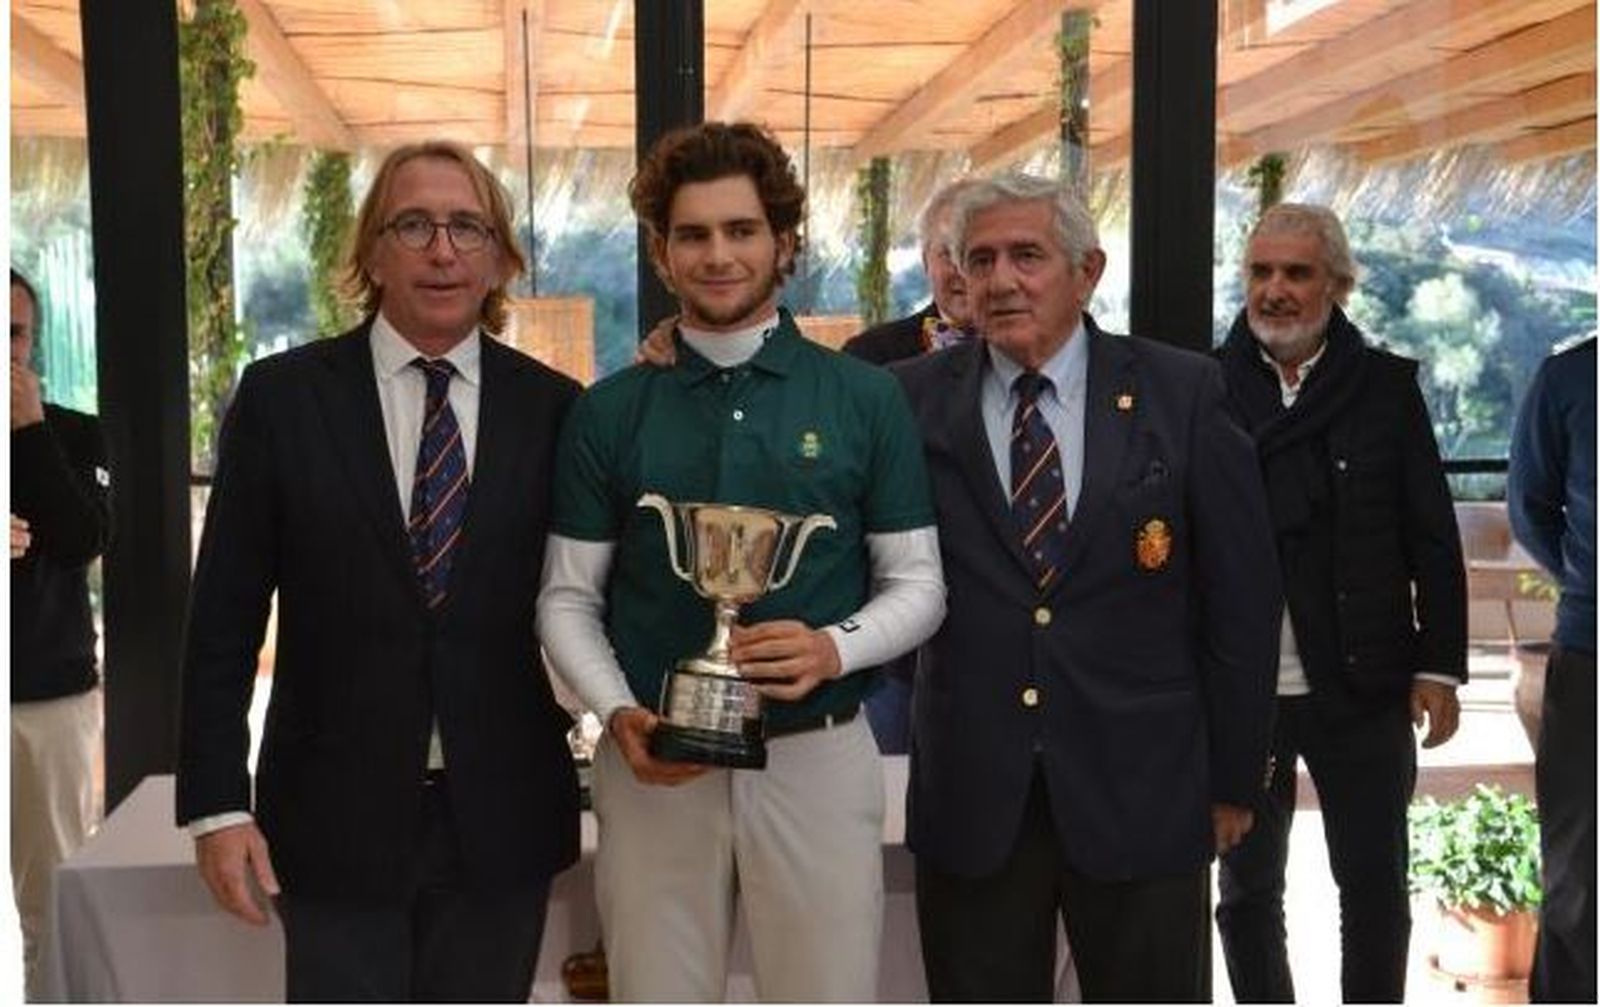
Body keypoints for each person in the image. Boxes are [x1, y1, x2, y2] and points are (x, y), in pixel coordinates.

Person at [537, 121, 945, 1002]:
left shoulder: (863, 397)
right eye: (693, 234)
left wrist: (836, 646)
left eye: (741, 230)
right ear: (660, 251)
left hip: (819, 754)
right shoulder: (610, 411)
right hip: (653, 760)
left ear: (785, 241)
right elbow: (566, 600)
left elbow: (919, 585)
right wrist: (616, 714)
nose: (718, 254)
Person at [175, 140, 582, 1002]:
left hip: (502, 817)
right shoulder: (283, 400)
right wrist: (217, 804)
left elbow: (588, 594)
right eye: (414, 224)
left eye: (467, 227)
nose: (442, 249)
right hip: (329, 823)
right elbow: (221, 620)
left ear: (501, 257)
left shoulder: (557, 410)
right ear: (370, 251)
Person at [893, 172, 1280, 1001]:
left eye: (1026, 255)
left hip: (1145, 790)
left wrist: (1234, 777)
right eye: (980, 259)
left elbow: (1242, 601)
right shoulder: (907, 402)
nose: (999, 280)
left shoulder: (1183, 393)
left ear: (1088, 270)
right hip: (974, 798)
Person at [1214, 202, 1467, 1003]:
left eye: (1297, 272)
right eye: (1262, 272)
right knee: (1248, 891)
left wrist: (1440, 666)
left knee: (1374, 887)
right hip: (1243, 686)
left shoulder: (1386, 388)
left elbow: (1431, 534)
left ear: (1338, 285)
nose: (1276, 290)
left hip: (1364, 679)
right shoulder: (1204, 387)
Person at [842, 177, 976, 753]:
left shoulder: (1042, 356)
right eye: (947, 250)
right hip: (897, 649)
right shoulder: (870, 359)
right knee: (891, 819)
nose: (962, 267)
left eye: (976, 251)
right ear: (925, 260)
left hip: (1010, 638)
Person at [10, 268, 111, 999]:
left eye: (14, 334)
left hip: (44, 697)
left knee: (54, 898)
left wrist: (31, 430)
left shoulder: (70, 434)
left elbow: (81, 539)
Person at [1508, 336, 1595, 1004]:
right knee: (1578, 870)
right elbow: (1530, 506)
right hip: (1591, 653)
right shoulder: (1569, 375)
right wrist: (1586, 585)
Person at [842, 177, 979, 364]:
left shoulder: (1030, 351)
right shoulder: (869, 355)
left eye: (981, 257)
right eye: (950, 254)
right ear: (926, 261)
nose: (964, 272)